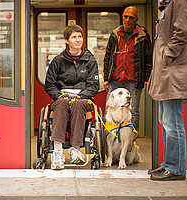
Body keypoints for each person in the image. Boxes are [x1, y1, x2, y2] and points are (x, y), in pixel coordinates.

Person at [45, 25, 99, 170]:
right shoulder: (58, 61)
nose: (78, 40)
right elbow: (50, 85)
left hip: (83, 99)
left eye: (80, 36)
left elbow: (93, 85)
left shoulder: (90, 60)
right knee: (61, 103)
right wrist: (60, 96)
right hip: (62, 96)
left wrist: (81, 96)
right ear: (67, 40)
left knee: (78, 104)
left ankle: (75, 149)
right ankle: (57, 151)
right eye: (74, 37)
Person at [147, 0, 187, 181]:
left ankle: (176, 168)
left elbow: (182, 32)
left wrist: (167, 55)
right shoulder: (167, 4)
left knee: (172, 121)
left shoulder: (180, 1)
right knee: (164, 119)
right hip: (166, 72)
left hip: (172, 71)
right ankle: (168, 163)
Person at [103, 6, 152, 132]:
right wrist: (106, 78)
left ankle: (131, 141)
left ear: (136, 19)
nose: (127, 20)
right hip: (115, 79)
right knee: (110, 108)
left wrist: (146, 78)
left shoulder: (143, 36)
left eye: (131, 17)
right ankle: (108, 138)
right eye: (125, 16)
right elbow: (107, 57)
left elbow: (148, 59)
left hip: (134, 81)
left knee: (134, 111)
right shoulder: (115, 34)